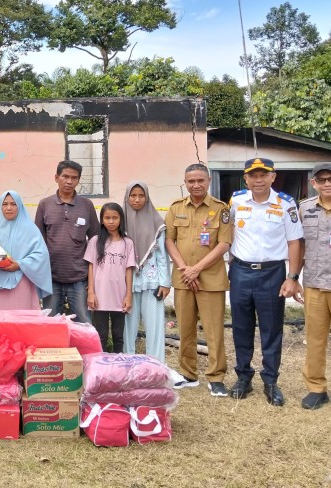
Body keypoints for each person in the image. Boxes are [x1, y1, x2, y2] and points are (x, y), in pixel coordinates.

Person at [228, 158, 303, 406]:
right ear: (246, 178)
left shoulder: (285, 204)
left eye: (263, 175)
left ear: (273, 176)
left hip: (272, 274)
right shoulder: (236, 201)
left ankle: (270, 380)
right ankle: (243, 378)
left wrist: (292, 277)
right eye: (253, 175)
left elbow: (294, 242)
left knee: (271, 329)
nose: (258, 180)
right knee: (241, 327)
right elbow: (225, 235)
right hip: (240, 271)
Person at [165, 163, 232, 396]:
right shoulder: (175, 208)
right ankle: (188, 373)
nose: (196, 185)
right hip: (183, 277)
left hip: (211, 279)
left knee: (214, 331)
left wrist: (197, 269)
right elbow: (169, 241)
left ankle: (216, 377)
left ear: (208, 181)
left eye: (200, 180)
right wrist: (185, 269)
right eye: (191, 181)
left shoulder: (221, 209)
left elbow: (224, 243)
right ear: (185, 182)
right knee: (185, 329)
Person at [34, 160, 100, 322]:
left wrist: (92, 280)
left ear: (78, 180)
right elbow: (38, 240)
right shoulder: (44, 205)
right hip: (51, 278)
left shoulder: (86, 205)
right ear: (56, 177)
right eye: (65, 176)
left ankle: (86, 349)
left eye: (74, 178)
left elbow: (95, 240)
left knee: (84, 322)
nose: (69, 181)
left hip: (79, 278)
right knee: (50, 322)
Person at [0, 191, 52, 310]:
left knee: (21, 321)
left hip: (22, 283)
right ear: (0, 207)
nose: (9, 208)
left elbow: (41, 255)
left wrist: (19, 264)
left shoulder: (31, 230)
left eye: (13, 204)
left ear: (19, 206)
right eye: (5, 204)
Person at [122, 181, 171, 362]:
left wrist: (165, 282)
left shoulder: (156, 221)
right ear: (127, 197)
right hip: (127, 283)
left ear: (147, 197)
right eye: (133, 196)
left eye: (141, 196)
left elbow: (162, 254)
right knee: (128, 326)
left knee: (155, 326)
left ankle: (156, 366)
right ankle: (128, 365)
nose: (137, 200)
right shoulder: (120, 221)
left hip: (152, 281)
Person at [298, 162, 331, 410]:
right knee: (315, 339)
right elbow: (298, 246)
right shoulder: (304, 208)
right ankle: (317, 388)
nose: (327, 183)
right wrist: (292, 277)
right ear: (314, 184)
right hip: (315, 284)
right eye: (322, 180)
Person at [84, 202, 135, 352]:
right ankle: (102, 367)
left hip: (120, 296)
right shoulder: (95, 241)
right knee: (102, 335)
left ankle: (118, 367)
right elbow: (91, 266)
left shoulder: (128, 243)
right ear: (102, 220)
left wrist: (128, 295)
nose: (111, 221)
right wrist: (91, 292)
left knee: (119, 335)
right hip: (100, 295)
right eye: (107, 218)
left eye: (115, 218)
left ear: (121, 219)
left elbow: (129, 269)